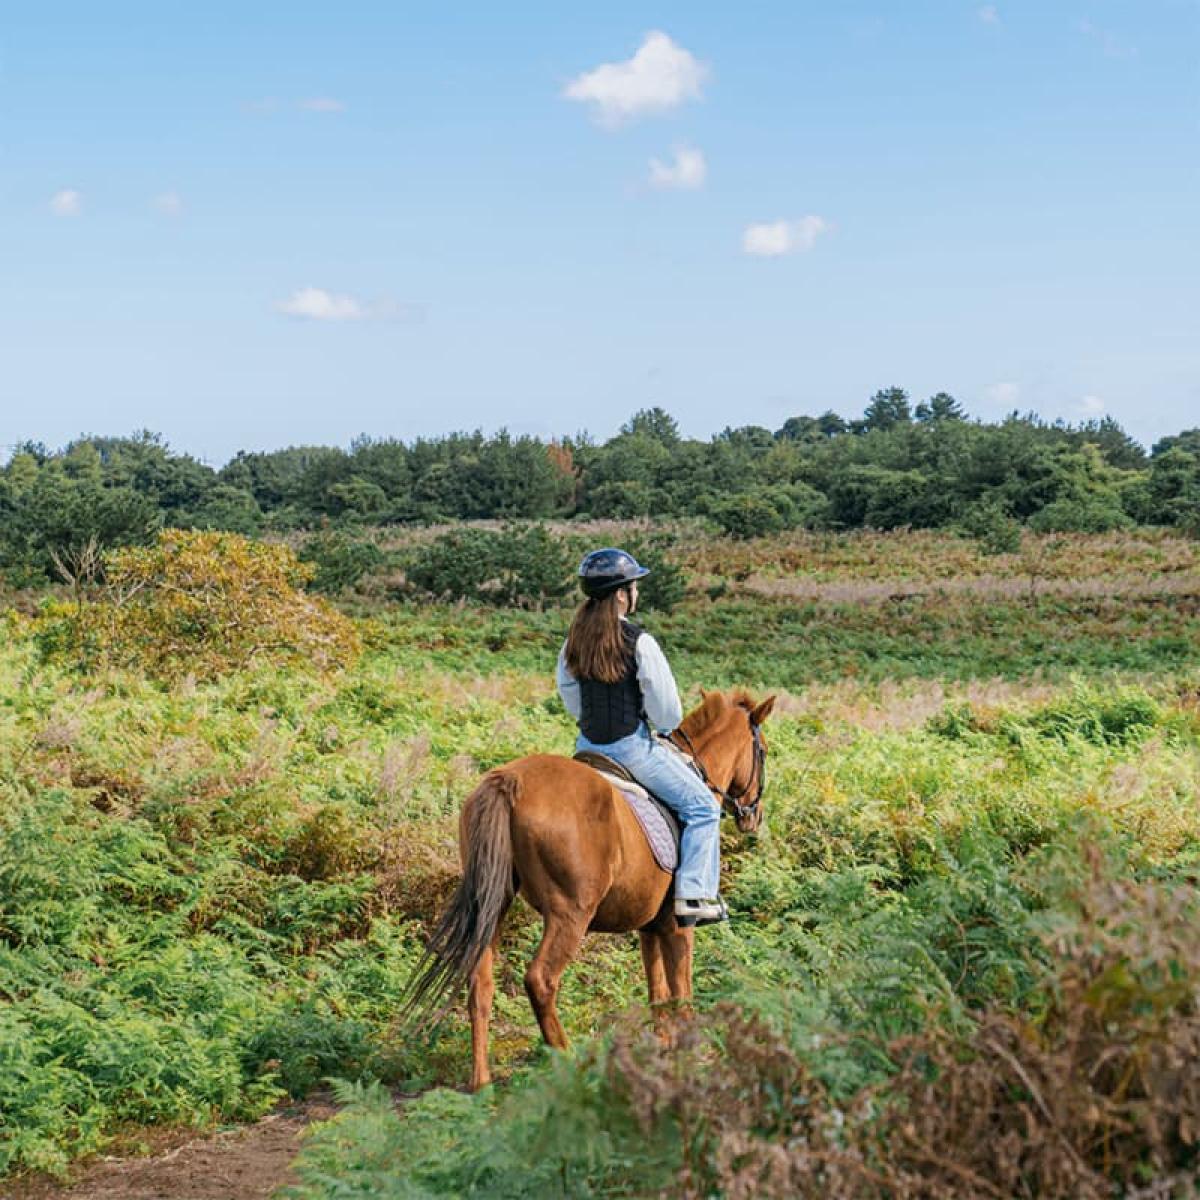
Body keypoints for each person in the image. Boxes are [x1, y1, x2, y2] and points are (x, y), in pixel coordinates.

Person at [556, 548, 727, 927]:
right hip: (632, 750)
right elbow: (668, 712)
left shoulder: (572, 642)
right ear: (622, 595)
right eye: (634, 587)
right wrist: (654, 723)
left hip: (586, 750)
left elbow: (570, 695)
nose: (636, 593)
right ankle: (695, 896)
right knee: (703, 806)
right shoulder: (639, 641)